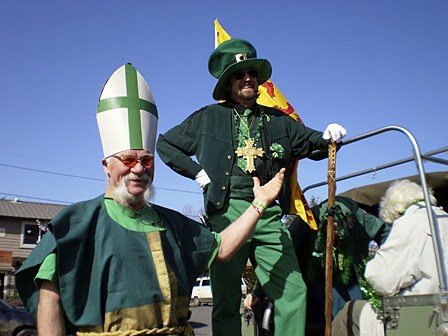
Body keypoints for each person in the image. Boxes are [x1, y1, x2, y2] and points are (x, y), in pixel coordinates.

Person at [14, 63, 286, 336]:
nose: (139, 169)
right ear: (106, 165)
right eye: (128, 159)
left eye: (146, 160)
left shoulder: (175, 225)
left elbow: (223, 249)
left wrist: (258, 204)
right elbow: (50, 297)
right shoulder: (76, 224)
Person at [156, 38, 347, 336]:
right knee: (226, 301)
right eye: (238, 74)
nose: (247, 78)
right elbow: (165, 144)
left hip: (269, 215)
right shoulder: (208, 117)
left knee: (293, 291)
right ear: (228, 83)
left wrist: (330, 137)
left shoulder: (279, 121)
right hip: (226, 214)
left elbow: (313, 143)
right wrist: (198, 173)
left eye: (251, 73)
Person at [244, 196, 390, 330]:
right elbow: (278, 258)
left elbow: (388, 236)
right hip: (316, 278)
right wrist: (258, 292)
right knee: (336, 306)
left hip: (352, 277)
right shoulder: (305, 223)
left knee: (361, 310)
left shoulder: (360, 217)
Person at [332, 179, 448, 336]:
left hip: (422, 317)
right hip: (441, 311)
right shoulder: (443, 217)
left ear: (393, 210)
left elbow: (381, 280)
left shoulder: (409, 223)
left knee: (349, 312)